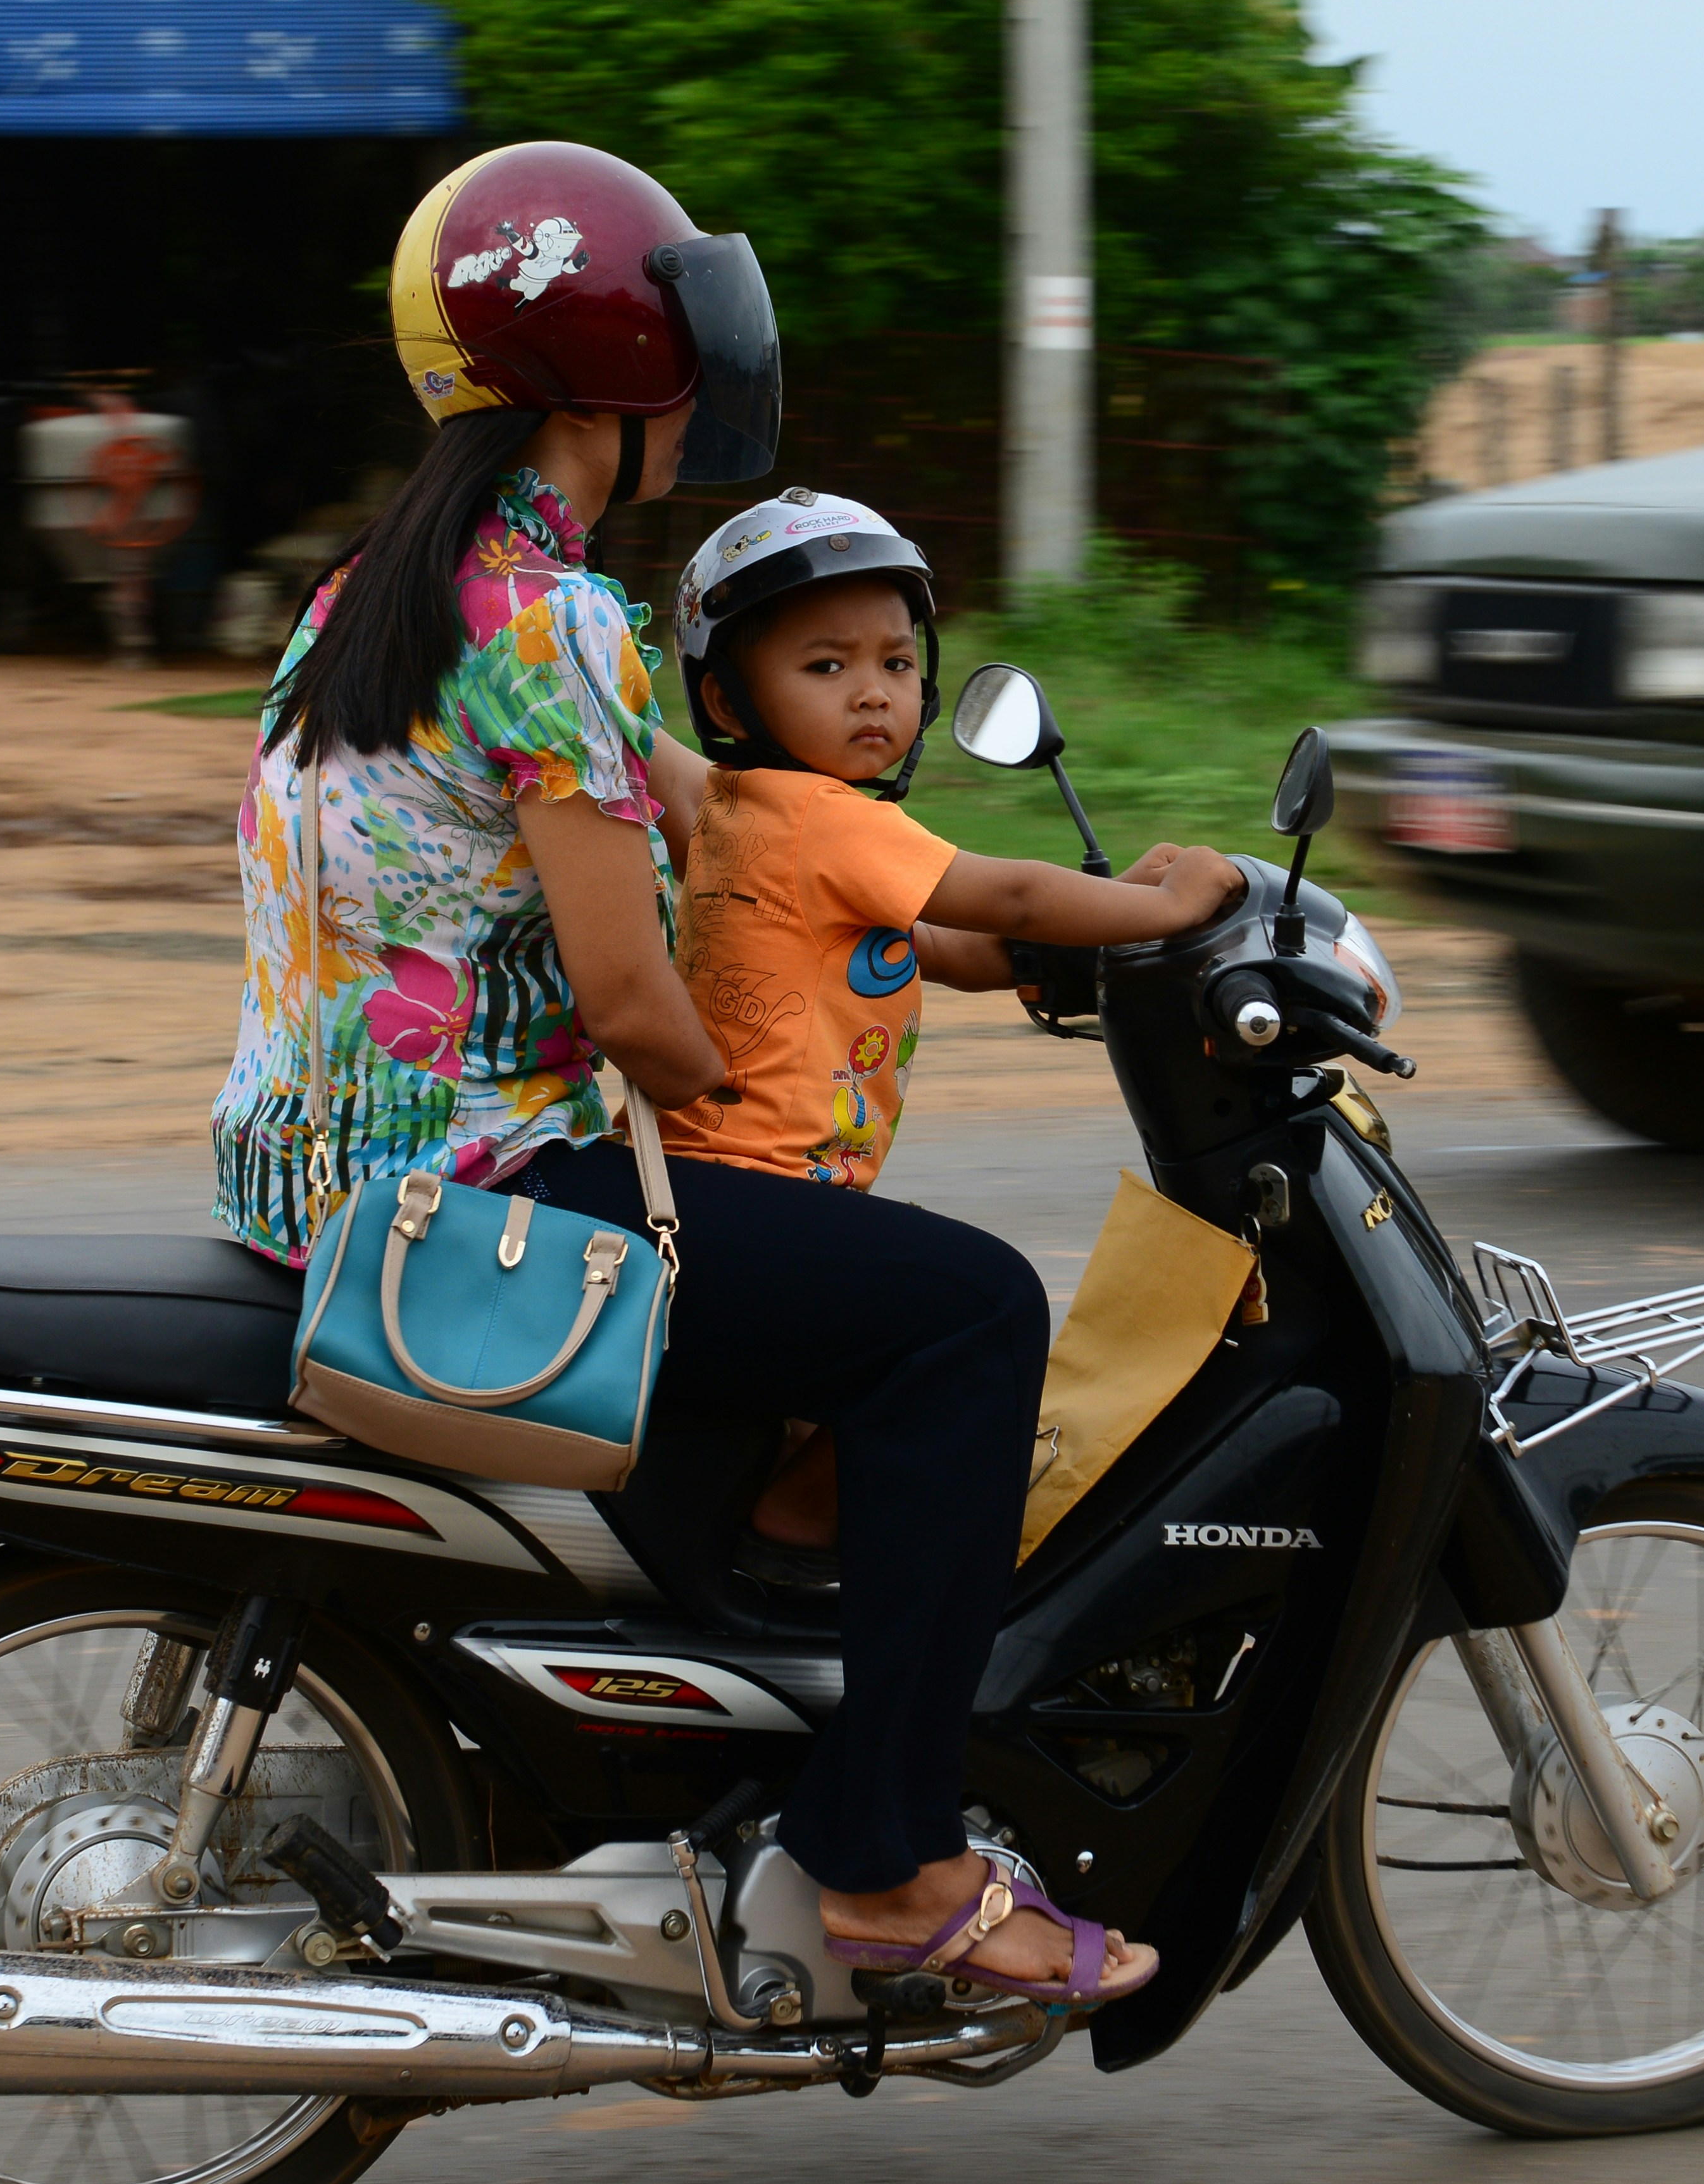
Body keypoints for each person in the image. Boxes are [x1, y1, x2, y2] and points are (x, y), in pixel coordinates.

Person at [211, 141, 1151, 2009]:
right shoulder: (548, 616)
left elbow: (706, 807)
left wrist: (942, 930)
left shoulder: (380, 594)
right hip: (480, 1211)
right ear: (616, 365)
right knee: (965, 1312)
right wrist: (760, 1069)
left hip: (309, 1184)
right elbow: (640, 1007)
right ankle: (889, 1862)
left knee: (829, 1308)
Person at [654, 491, 1247, 1562]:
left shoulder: (749, 811)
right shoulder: (824, 818)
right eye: (825, 667)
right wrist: (1162, 907)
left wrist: (1082, 935)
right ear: (729, 701)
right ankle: (800, 1522)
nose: (873, 694)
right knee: (968, 1324)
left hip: (726, 1186)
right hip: (762, 1192)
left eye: (894, 662)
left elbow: (953, 945)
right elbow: (1004, 898)